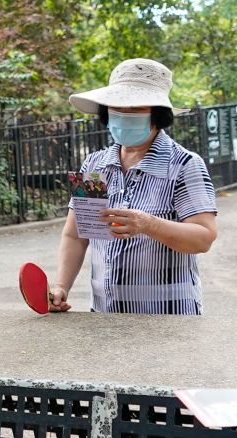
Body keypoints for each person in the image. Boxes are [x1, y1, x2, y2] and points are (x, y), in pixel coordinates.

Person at [48, 58, 218, 314]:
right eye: (117, 106)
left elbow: (203, 238)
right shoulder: (95, 166)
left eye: (136, 107)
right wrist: (61, 286)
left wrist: (147, 224)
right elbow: (75, 234)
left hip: (170, 317)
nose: (124, 115)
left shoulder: (184, 165)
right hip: (106, 316)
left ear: (157, 115)